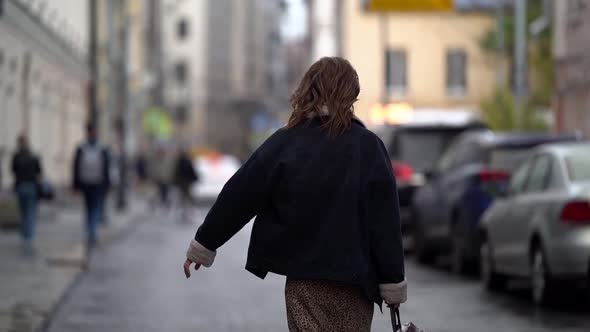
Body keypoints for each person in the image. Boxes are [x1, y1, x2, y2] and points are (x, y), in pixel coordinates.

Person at [182, 57, 406, 331]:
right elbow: (385, 222)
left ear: (308, 90)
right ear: (351, 95)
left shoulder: (285, 143)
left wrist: (204, 245)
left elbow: (239, 194)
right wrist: (392, 283)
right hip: (355, 284)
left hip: (305, 283)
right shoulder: (369, 147)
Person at [73, 122, 110, 251]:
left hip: (87, 183)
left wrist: (76, 185)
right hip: (96, 183)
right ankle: (92, 232)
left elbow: (76, 167)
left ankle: (90, 231)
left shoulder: (81, 148)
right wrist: (107, 185)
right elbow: (106, 168)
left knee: (90, 208)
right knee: (94, 208)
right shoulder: (102, 148)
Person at [11, 134, 42, 255]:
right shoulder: (33, 156)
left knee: (23, 212)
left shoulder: (16, 156)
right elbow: (39, 171)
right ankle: (29, 237)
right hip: (31, 187)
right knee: (30, 213)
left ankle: (24, 236)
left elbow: (12, 170)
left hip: (20, 187)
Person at [173, 148, 199, 223]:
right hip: (184, 183)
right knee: (185, 197)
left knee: (185, 197)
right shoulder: (183, 162)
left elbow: (191, 171)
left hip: (185, 183)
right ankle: (186, 211)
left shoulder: (182, 162)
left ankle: (187, 211)